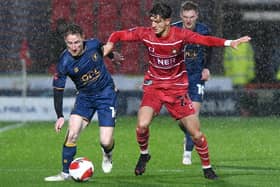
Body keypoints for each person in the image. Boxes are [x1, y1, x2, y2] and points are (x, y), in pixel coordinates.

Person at [103, 2, 251, 180]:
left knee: (196, 133)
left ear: (167, 21)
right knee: (142, 126)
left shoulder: (180, 35)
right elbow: (118, 34)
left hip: (177, 89)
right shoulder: (146, 34)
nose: (153, 25)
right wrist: (111, 44)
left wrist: (229, 42)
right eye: (152, 21)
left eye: (157, 22)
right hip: (154, 87)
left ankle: (207, 168)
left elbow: (205, 40)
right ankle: (144, 155)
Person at [44, 23, 123, 181]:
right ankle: (65, 173)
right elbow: (58, 89)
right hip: (85, 97)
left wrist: (113, 56)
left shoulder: (92, 44)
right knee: (72, 133)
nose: (74, 47)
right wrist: (59, 115)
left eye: (77, 42)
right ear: (66, 43)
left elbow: (102, 48)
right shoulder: (64, 62)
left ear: (83, 39)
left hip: (106, 94)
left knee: (105, 141)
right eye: (70, 43)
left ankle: (107, 153)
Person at [172, 1, 212, 166]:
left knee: (192, 117)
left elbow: (210, 49)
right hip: (178, 78)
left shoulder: (204, 30)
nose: (189, 20)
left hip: (196, 77)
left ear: (197, 16)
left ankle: (187, 152)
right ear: (181, 16)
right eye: (186, 17)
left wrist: (207, 67)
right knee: (183, 120)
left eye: (192, 17)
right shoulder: (173, 29)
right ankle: (187, 134)